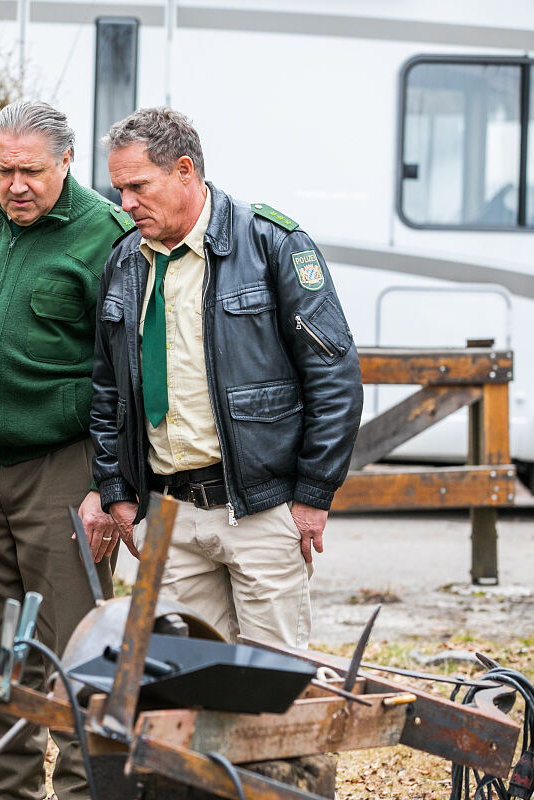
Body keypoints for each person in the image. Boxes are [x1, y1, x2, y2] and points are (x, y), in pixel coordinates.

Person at [87, 107, 363, 648]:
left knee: (272, 684)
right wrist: (116, 489)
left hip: (260, 510)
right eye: (119, 189)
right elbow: (107, 390)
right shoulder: (123, 262)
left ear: (185, 170)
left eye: (138, 186)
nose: (125, 204)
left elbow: (335, 378)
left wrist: (314, 493)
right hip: (165, 512)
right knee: (181, 687)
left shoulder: (271, 244)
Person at [0, 100, 134, 800]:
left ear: (66, 163)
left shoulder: (105, 235)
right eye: (4, 169)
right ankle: (9, 790)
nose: (15, 185)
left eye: (32, 171)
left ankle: (84, 792)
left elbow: (125, 371)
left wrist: (111, 484)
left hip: (63, 468)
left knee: (79, 651)